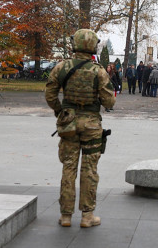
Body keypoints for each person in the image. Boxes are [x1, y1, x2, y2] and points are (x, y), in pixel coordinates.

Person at [44, 29, 116, 228]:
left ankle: (66, 216)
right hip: (92, 125)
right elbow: (109, 102)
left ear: (74, 44)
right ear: (93, 46)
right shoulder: (98, 71)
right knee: (89, 169)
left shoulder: (61, 67)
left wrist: (62, 111)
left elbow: (50, 95)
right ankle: (87, 216)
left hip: (68, 124)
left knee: (68, 167)